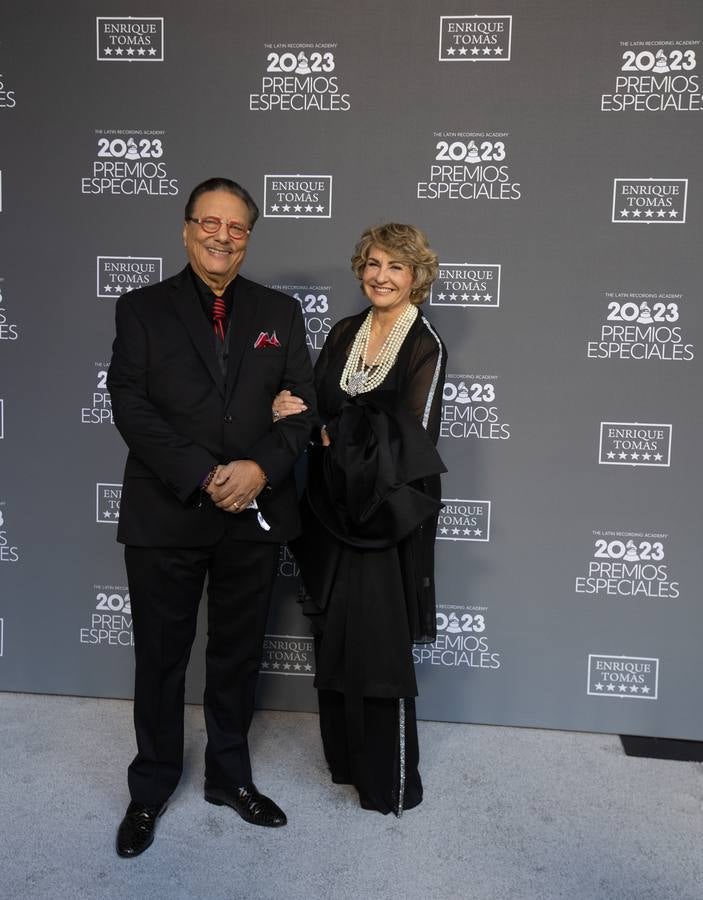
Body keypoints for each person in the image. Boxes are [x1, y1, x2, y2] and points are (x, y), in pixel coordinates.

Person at [107, 177, 316, 857]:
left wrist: (259, 469)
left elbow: (301, 403)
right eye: (209, 222)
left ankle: (230, 777)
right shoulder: (140, 309)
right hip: (167, 511)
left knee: (236, 656)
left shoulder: (279, 313)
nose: (222, 236)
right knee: (160, 660)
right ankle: (151, 787)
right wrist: (203, 474)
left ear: (248, 237)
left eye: (237, 227)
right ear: (186, 228)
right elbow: (131, 407)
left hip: (252, 515)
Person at [274, 223, 447, 816]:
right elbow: (320, 406)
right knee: (335, 636)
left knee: (379, 647)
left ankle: (390, 782)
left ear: (416, 276)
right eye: (373, 263)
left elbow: (410, 440)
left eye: (396, 266)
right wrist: (293, 409)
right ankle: (344, 762)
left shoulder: (424, 344)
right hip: (328, 508)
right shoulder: (345, 332)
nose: (381, 276)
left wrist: (337, 430)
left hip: (384, 517)